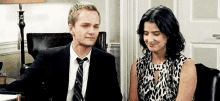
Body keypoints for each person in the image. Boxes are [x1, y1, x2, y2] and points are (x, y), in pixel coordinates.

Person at [1, 1, 122, 101]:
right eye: (85, 25)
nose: (92, 31)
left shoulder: (106, 60)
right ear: (71, 29)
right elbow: (18, 86)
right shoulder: (47, 58)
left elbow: (115, 98)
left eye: (96, 26)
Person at [129, 5, 197, 101]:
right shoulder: (137, 65)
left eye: (156, 33)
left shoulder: (186, 65)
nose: (149, 39)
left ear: (169, 34)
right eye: (146, 33)